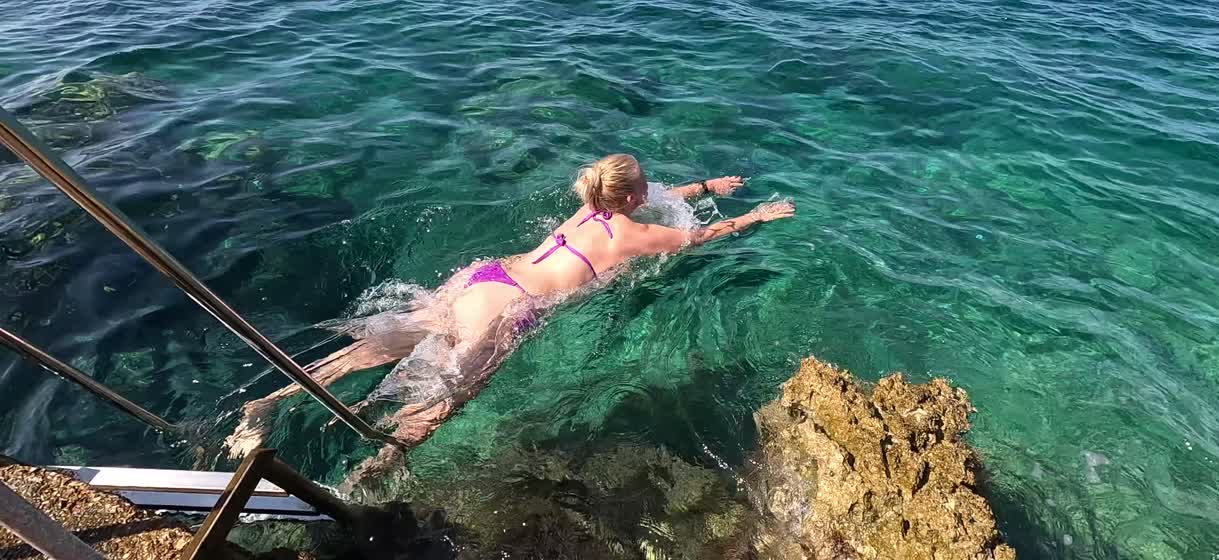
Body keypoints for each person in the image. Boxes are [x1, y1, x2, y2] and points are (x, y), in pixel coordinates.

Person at [225, 154, 794, 472]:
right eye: (644, 185)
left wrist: (704, 184)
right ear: (628, 199)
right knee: (446, 399)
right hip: (512, 308)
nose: (653, 189)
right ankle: (368, 473)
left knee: (378, 347)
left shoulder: (589, 205)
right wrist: (756, 218)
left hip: (484, 276)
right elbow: (701, 237)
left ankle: (266, 405)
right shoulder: (636, 234)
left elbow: (659, 193)